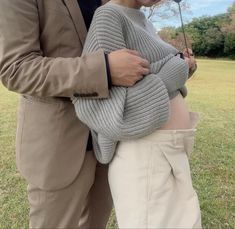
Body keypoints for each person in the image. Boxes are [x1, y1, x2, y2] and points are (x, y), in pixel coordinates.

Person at [0, 0, 151, 228]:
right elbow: (16, 69)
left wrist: (175, 61)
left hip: (108, 139)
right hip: (58, 147)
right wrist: (105, 70)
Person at [73, 0, 202, 228]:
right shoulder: (109, 17)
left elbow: (151, 79)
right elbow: (104, 110)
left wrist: (182, 67)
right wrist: (175, 70)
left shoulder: (141, 18)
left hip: (167, 151)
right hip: (144, 158)